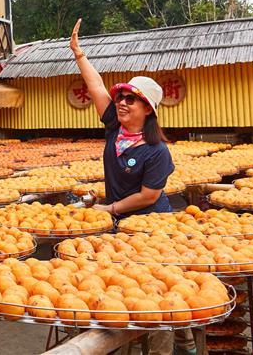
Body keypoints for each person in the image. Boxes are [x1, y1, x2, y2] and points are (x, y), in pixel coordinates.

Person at [69, 18, 174, 217]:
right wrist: (78, 53)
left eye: (131, 99)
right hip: (117, 221)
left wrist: (111, 208)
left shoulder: (157, 151)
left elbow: (148, 197)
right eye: (121, 98)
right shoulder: (114, 127)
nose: (122, 103)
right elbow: (97, 86)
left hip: (152, 224)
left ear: (148, 109)